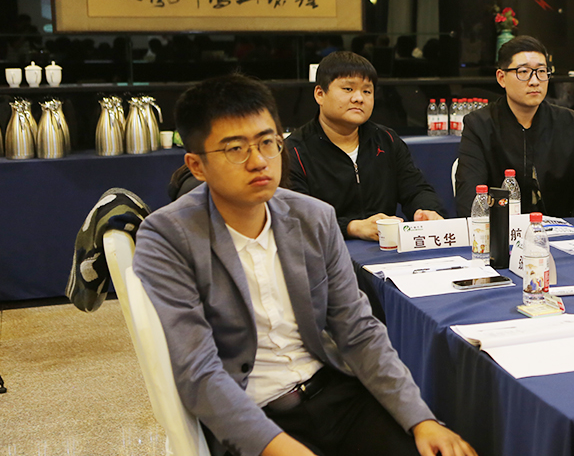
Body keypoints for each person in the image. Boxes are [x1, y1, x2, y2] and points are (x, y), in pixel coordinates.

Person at [132, 74, 475, 456]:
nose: (259, 162)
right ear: (197, 165)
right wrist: (281, 448)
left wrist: (421, 420)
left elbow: (358, 331)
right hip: (250, 416)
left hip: (335, 395)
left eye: (267, 143)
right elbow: (198, 371)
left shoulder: (312, 217)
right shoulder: (167, 237)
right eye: (235, 149)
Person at [285, 51, 445, 241]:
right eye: (348, 89)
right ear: (320, 94)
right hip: (326, 250)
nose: (359, 98)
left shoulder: (386, 140)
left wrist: (426, 210)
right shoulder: (294, 151)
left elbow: (417, 189)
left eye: (367, 91)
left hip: (384, 248)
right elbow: (296, 218)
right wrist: (351, 227)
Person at [456, 36, 574, 217]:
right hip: (502, 229)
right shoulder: (479, 125)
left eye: (541, 71)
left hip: (561, 228)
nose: (535, 81)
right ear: (501, 78)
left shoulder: (570, 123)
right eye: (524, 72)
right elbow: (469, 200)